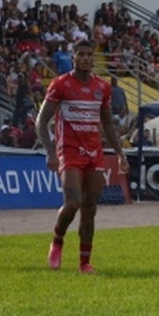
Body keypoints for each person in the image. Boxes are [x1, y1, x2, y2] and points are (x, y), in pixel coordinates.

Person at [35, 39, 129, 274]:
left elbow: (108, 124)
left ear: (93, 59)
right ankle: (57, 240)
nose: (86, 58)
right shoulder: (61, 84)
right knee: (73, 203)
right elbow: (41, 121)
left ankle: (84, 262)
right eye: (81, 54)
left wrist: (120, 153)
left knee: (90, 208)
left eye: (89, 54)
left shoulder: (102, 87)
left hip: (94, 153)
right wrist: (50, 152)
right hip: (69, 151)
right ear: (73, 57)